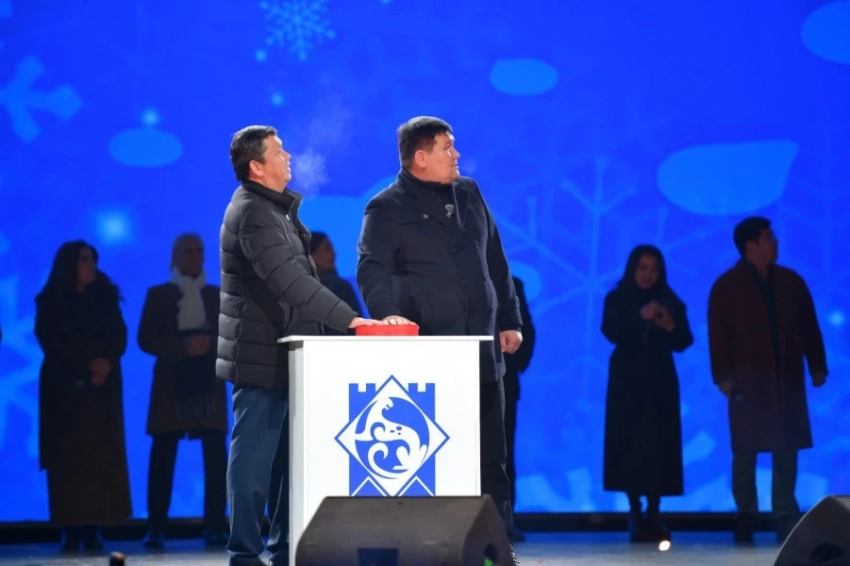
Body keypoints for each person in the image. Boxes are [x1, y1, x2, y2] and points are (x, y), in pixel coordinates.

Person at [356, 116, 523, 561]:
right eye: (447, 147)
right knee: (436, 457)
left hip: (482, 349)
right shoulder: (386, 207)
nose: (456, 154)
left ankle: (496, 548)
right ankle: (430, 549)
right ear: (420, 157)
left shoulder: (469, 193)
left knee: (492, 458)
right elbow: (372, 269)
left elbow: (496, 259)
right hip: (430, 354)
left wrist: (510, 318)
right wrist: (387, 317)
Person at [218, 125, 384, 566]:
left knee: (288, 464)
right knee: (254, 462)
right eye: (278, 151)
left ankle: (284, 549)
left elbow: (300, 284)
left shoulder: (278, 210)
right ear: (256, 166)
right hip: (260, 355)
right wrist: (350, 319)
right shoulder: (253, 212)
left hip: (289, 354)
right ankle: (245, 554)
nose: (288, 156)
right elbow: (291, 282)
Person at [708, 216, 828, 544]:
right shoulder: (727, 286)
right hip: (747, 382)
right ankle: (746, 513)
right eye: (768, 236)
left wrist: (817, 365)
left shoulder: (790, 281)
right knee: (745, 450)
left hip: (785, 378)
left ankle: (784, 514)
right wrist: (723, 376)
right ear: (751, 244)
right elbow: (718, 335)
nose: (775, 241)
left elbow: (809, 327)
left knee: (786, 448)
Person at [35, 240, 132, 551]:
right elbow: (52, 340)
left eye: (93, 259)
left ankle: (94, 527)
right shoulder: (50, 300)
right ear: (70, 265)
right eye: (85, 260)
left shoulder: (105, 295)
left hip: (100, 392)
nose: (92, 266)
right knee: (67, 459)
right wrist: (88, 362)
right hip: (64, 392)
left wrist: (106, 362)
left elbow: (118, 334)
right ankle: (70, 527)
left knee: (98, 458)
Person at [138, 233, 228, 549]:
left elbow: (232, 334)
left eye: (199, 250)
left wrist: (207, 343)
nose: (195, 255)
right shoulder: (158, 295)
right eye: (188, 251)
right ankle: (156, 528)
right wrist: (182, 346)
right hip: (170, 382)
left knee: (216, 457)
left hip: (208, 380)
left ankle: (215, 526)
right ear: (175, 256)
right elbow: (146, 338)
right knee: (163, 455)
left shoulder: (217, 295)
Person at [601, 245, 693, 543]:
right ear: (632, 269)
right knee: (629, 443)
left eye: (653, 269)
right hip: (627, 382)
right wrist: (639, 316)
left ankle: (654, 510)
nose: (648, 275)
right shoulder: (617, 298)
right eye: (642, 268)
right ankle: (634, 510)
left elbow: (684, 341)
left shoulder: (670, 300)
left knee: (658, 444)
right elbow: (610, 330)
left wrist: (670, 326)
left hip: (659, 381)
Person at [503, 275, 536, 543]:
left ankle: (505, 520)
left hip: (504, 382)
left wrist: (512, 366)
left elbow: (526, 330)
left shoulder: (512, 284)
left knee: (503, 455)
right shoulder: (451, 279)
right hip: (461, 380)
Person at [309, 231, 363, 335]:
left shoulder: (340, 286)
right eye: (327, 248)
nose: (333, 253)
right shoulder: (339, 286)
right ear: (311, 255)